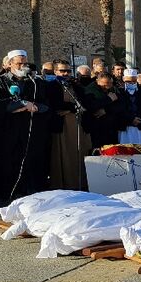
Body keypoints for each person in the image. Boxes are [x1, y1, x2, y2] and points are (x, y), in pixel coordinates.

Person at [0, 49, 52, 202]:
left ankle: (26, 191)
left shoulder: (33, 83)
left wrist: (34, 107)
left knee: (28, 160)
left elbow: (46, 104)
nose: (23, 66)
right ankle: (7, 195)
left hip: (28, 130)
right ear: (9, 64)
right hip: (6, 131)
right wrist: (21, 104)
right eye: (19, 63)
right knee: (7, 162)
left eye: (25, 63)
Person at [48, 59, 92, 190]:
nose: (66, 73)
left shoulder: (75, 86)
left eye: (68, 71)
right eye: (62, 71)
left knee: (80, 154)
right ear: (55, 71)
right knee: (65, 156)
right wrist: (71, 108)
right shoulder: (51, 86)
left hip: (79, 125)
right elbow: (55, 104)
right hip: (63, 127)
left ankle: (82, 184)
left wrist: (69, 109)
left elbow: (85, 102)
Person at [82, 72, 125, 149]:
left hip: (112, 126)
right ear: (97, 81)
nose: (107, 87)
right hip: (96, 127)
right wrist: (109, 99)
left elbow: (121, 105)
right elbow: (91, 106)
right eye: (104, 84)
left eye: (109, 83)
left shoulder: (114, 89)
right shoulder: (90, 91)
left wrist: (106, 110)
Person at [117, 69, 141, 149]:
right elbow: (120, 109)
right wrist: (131, 119)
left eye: (133, 81)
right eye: (128, 81)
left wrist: (139, 118)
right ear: (124, 79)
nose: (131, 83)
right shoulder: (119, 92)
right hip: (125, 127)